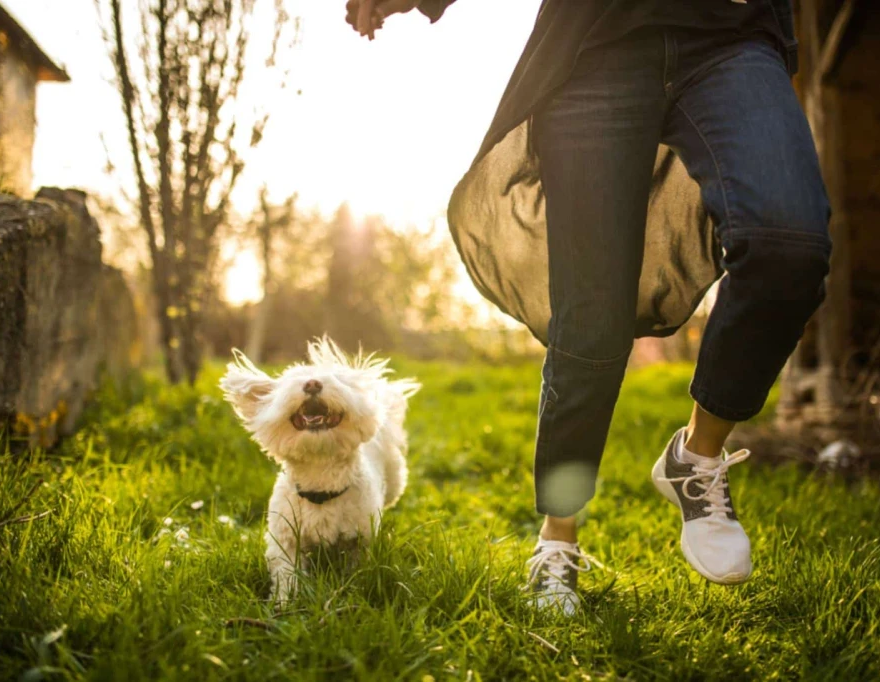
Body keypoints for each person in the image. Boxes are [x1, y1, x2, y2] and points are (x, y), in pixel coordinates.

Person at [346, 0, 831, 614]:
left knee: (790, 246)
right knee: (591, 317)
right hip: (595, 42)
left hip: (731, 35)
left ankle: (698, 455)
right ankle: (558, 537)